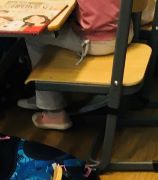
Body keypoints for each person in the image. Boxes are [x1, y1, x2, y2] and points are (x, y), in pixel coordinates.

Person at [17, 0, 133, 131]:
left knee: (33, 36)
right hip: (124, 31)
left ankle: (53, 110)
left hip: (99, 41)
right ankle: (44, 95)